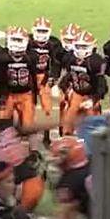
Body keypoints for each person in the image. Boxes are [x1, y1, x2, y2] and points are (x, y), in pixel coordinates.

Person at [60, 31, 106, 136]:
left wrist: (94, 99)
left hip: (90, 95)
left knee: (92, 120)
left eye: (84, 47)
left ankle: (94, 142)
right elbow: (68, 76)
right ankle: (67, 139)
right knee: (69, 118)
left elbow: (102, 84)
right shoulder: (69, 58)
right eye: (78, 47)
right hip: (77, 93)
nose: (80, 50)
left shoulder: (96, 61)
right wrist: (65, 89)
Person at [28, 17, 63, 146]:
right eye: (39, 31)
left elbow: (56, 63)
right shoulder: (27, 41)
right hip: (29, 77)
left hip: (45, 77)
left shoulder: (54, 43)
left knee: (47, 108)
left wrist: (53, 77)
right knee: (28, 106)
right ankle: (28, 132)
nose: (41, 34)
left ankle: (47, 135)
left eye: (44, 31)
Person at [0, 27, 38, 128]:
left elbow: (34, 76)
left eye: (19, 40)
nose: (16, 43)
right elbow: (1, 80)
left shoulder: (31, 57)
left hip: (26, 94)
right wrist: (2, 97)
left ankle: (25, 142)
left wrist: (34, 95)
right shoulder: (3, 57)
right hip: (9, 94)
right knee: (3, 124)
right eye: (14, 39)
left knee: (27, 126)